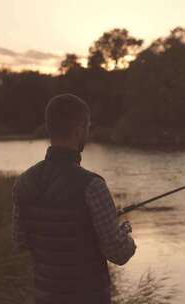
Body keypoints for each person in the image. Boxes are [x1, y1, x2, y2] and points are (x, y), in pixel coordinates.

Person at [12, 93, 136, 304]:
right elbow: (119, 253)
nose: (88, 132)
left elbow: (20, 242)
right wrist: (124, 231)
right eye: (88, 127)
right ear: (79, 129)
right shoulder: (92, 185)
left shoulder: (23, 182)